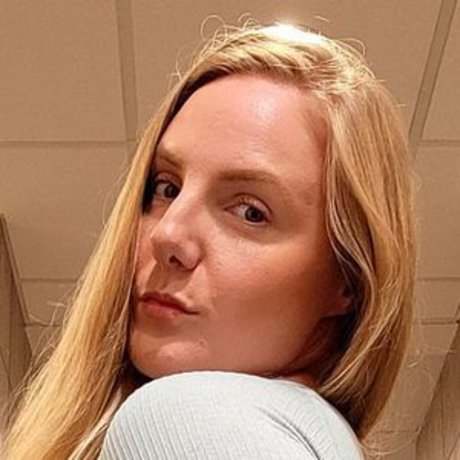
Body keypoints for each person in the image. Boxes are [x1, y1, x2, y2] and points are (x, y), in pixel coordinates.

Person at [2, 22, 415, 459]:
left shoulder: (185, 417)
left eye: (250, 212)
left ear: (348, 281)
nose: (168, 234)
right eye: (166, 188)